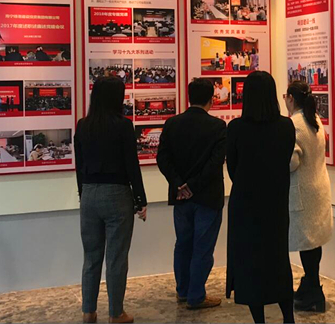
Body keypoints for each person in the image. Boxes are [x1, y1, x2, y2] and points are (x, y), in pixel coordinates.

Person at [74, 77, 148, 324]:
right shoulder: (123, 126)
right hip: (117, 194)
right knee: (116, 258)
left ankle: (88, 311)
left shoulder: (83, 125)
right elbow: (131, 165)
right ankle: (116, 313)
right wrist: (140, 198)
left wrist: (83, 193)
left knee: (91, 256)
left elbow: (79, 166)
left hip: (89, 194)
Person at [226, 71, 296, 323]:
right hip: (275, 203)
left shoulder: (236, 128)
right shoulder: (286, 126)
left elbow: (232, 168)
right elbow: (285, 158)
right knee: (278, 260)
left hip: (245, 204)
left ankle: (260, 320)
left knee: (249, 264)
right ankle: (288, 317)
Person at [156, 78, 227, 310]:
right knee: (202, 247)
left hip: (180, 197)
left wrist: (180, 184)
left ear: (188, 97)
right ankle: (196, 296)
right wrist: (193, 186)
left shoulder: (172, 123)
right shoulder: (218, 126)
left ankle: (183, 291)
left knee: (183, 244)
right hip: (207, 196)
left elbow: (162, 158)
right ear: (211, 99)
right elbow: (215, 163)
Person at [283, 81, 333, 313]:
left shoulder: (294, 124)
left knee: (307, 243)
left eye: (285, 96)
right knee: (313, 242)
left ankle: (313, 290)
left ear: (291, 98)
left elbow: (292, 162)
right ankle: (311, 285)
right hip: (318, 188)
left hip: (303, 191)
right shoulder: (315, 120)